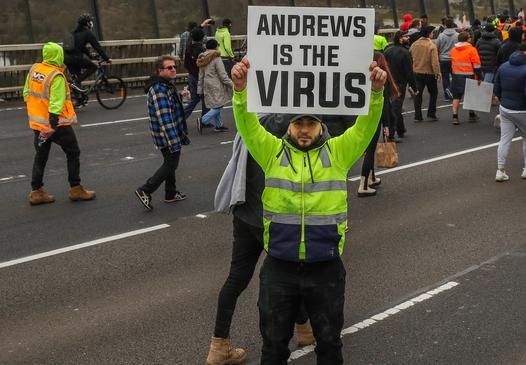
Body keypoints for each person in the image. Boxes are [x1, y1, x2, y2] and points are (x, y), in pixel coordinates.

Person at [230, 57, 386, 364]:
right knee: (273, 349)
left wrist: (377, 93)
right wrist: (240, 90)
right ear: (288, 125)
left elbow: (365, 127)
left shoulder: (338, 152)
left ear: (320, 126)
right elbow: (247, 124)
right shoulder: (271, 151)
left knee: (329, 345)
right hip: (279, 268)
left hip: (325, 267)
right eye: (298, 123)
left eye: (310, 124)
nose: (304, 130)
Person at [207, 114, 315, 365]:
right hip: (270, 217)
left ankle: (218, 347)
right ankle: (304, 332)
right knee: (290, 276)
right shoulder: (285, 125)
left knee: (236, 279)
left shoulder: (251, 121)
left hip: (244, 212)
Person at [25, 42, 96, 205]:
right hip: (57, 126)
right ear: (58, 56)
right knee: (73, 152)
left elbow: (26, 93)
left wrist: (37, 112)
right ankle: (75, 188)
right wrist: (53, 124)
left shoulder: (34, 69)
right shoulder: (56, 76)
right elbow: (56, 103)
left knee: (41, 156)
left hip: (38, 125)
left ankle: (36, 191)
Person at [135, 56, 190, 211]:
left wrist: (181, 96)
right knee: (170, 164)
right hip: (167, 135)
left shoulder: (165, 86)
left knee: (170, 163)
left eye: (174, 67)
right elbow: (164, 117)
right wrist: (174, 140)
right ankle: (145, 190)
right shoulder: (159, 89)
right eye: (169, 67)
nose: (174, 69)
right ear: (160, 71)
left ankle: (170, 194)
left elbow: (170, 104)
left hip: (170, 133)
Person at [493, 42, 526, 182]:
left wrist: (504, 101)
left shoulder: (504, 66)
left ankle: (500, 171)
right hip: (523, 110)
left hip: (505, 108)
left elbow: (496, 89)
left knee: (504, 139)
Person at [358, 52, 399, 197]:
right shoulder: (381, 77)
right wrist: (387, 125)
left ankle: (371, 177)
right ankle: (363, 184)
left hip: (362, 116)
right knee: (370, 150)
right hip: (375, 116)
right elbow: (385, 104)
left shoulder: (364, 75)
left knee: (370, 147)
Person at [384, 30, 417, 141]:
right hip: (399, 85)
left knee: (394, 107)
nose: (408, 38)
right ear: (400, 38)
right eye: (406, 36)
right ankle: (391, 135)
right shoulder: (405, 52)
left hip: (387, 83)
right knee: (395, 109)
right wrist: (414, 87)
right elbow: (409, 72)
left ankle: (401, 129)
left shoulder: (387, 51)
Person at [63, 13, 111, 88]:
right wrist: (107, 58)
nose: (91, 23)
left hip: (66, 58)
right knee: (93, 67)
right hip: (76, 58)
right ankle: (76, 82)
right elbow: (97, 47)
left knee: (77, 76)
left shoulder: (74, 33)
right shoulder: (88, 33)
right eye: (90, 22)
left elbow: (81, 47)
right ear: (87, 23)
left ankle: (79, 97)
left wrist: (90, 55)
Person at [197, 39, 232, 133]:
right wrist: (233, 85)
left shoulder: (202, 57)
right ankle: (203, 120)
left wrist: (199, 89)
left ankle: (219, 125)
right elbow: (223, 75)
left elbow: (200, 76)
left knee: (216, 105)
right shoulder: (216, 58)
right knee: (219, 106)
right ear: (216, 47)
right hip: (216, 85)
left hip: (207, 84)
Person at [410, 25, 441, 122]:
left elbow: (410, 56)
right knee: (433, 93)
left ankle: (418, 116)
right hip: (429, 73)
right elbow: (435, 62)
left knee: (418, 94)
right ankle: (431, 114)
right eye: (432, 32)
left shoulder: (414, 44)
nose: (432, 34)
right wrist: (437, 73)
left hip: (417, 72)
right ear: (429, 34)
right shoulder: (431, 45)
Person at [450, 31, 482, 125]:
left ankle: (455, 117)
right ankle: (471, 115)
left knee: (456, 97)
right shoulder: (472, 50)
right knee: (470, 96)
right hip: (469, 75)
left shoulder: (453, 50)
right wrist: (479, 77)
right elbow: (476, 65)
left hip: (456, 76)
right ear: (468, 39)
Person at [183, 28, 206, 119]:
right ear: (202, 38)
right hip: (199, 76)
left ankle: (182, 117)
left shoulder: (189, 47)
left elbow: (185, 64)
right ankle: (204, 120)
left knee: (195, 98)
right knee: (204, 97)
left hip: (191, 75)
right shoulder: (201, 50)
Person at [436, 18, 459, 101]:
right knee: (455, 77)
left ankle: (447, 96)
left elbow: (437, 47)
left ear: (445, 25)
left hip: (443, 59)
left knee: (445, 78)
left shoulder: (441, 35)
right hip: (454, 59)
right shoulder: (457, 35)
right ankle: (454, 93)